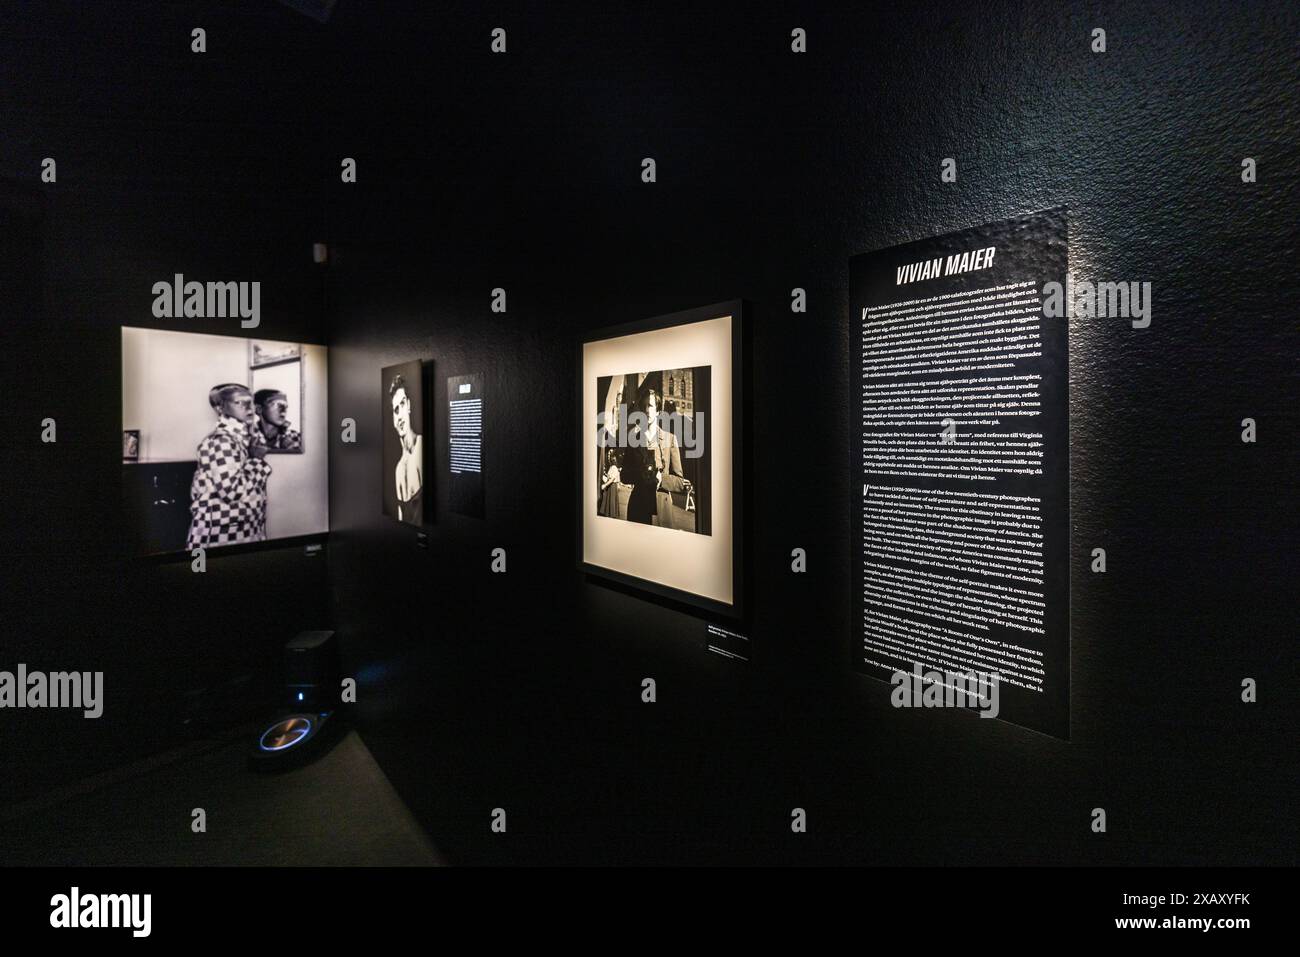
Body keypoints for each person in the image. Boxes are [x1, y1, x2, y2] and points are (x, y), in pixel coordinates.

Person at [186, 383, 272, 548]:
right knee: (203, 565)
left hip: (242, 530)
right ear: (220, 408)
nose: (249, 407)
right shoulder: (222, 441)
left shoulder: (240, 438)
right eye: (239, 402)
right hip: (220, 534)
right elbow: (231, 493)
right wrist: (256, 460)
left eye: (250, 402)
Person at [624, 388, 686, 528]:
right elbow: (624, 476)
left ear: (658, 410)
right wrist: (640, 473)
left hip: (662, 508)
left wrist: (661, 479)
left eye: (651, 405)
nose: (647, 410)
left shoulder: (670, 439)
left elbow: (680, 481)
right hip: (638, 508)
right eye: (644, 406)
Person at [390, 373, 423, 524]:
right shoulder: (398, 470)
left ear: (409, 405)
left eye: (402, 404)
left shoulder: (420, 447)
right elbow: (401, 521)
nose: (400, 416)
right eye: (396, 410)